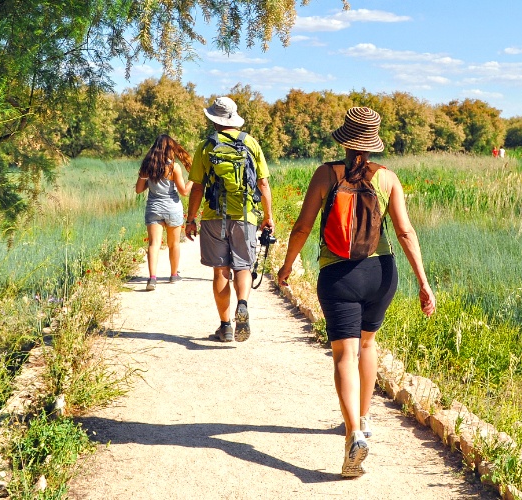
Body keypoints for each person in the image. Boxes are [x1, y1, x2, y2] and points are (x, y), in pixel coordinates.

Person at [277, 107, 436, 478]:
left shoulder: (325, 174)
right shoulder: (388, 179)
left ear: (344, 141)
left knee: (343, 354)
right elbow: (405, 233)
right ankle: (363, 421)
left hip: (338, 275)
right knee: (368, 344)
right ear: (373, 143)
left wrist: (287, 266)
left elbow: (302, 227)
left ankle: (352, 435)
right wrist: (424, 283)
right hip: (382, 274)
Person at [185, 96, 274, 343]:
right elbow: (263, 183)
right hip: (246, 216)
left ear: (214, 120)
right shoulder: (251, 143)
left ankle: (225, 326)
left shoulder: (206, 147)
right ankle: (242, 304)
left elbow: (197, 187)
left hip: (214, 216)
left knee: (221, 271)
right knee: (243, 266)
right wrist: (268, 217)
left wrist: (191, 219)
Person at [135, 134, 193, 290]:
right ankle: (174, 275)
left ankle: (152, 278)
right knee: (173, 244)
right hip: (172, 208)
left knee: (154, 244)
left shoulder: (147, 167)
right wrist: (193, 179)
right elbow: (184, 192)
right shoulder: (173, 167)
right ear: (170, 149)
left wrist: (150, 182)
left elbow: (138, 190)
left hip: (154, 208)